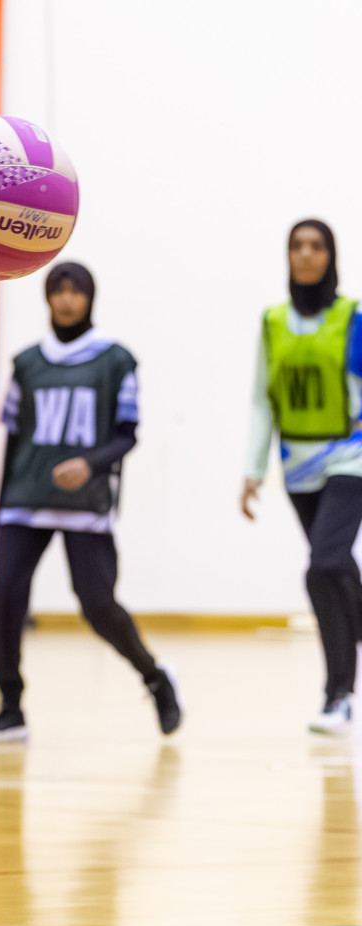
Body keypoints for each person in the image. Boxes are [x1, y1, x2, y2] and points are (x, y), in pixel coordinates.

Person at [0, 263, 181, 745]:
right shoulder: (27, 363)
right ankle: (10, 706)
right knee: (5, 595)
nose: (67, 300)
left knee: (97, 605)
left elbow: (127, 435)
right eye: (58, 291)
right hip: (25, 499)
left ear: (91, 297)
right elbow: (14, 439)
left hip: (85, 502)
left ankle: (155, 677)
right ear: (47, 298)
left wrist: (90, 463)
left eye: (76, 291)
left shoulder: (116, 360)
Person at [243, 219, 362, 736]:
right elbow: (261, 401)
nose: (307, 254)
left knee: (323, 566)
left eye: (317, 246)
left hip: (350, 458)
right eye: (297, 245)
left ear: (331, 256)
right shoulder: (273, 322)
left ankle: (338, 694)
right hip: (298, 467)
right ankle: (341, 686)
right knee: (335, 569)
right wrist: (253, 470)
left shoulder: (352, 316)